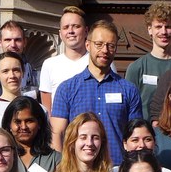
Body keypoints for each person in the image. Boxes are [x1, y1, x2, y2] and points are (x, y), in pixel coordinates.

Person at [50, 20, 142, 164]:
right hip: (77, 171)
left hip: (117, 169)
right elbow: (57, 133)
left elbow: (136, 136)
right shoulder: (67, 89)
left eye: (110, 46)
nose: (105, 50)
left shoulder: (129, 90)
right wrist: (61, 168)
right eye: (99, 44)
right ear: (88, 45)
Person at [125, 2, 171, 120]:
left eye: (168, 27)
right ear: (150, 30)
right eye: (158, 27)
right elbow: (128, 106)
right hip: (144, 134)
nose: (163, 32)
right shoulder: (136, 68)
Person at [2, 96, 63, 172]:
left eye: (29, 121)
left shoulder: (55, 159)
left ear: (39, 124)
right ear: (9, 125)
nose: (23, 127)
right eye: (17, 122)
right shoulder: (1, 157)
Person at [39, 6, 90, 112]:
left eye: (76, 26)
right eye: (66, 27)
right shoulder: (50, 64)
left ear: (86, 31)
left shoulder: (99, 62)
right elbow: (47, 109)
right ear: (60, 34)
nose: (70, 31)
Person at [0, 21, 40, 100]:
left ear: (24, 42)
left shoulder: (37, 76)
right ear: (0, 42)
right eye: (8, 40)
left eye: (17, 40)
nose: (13, 45)